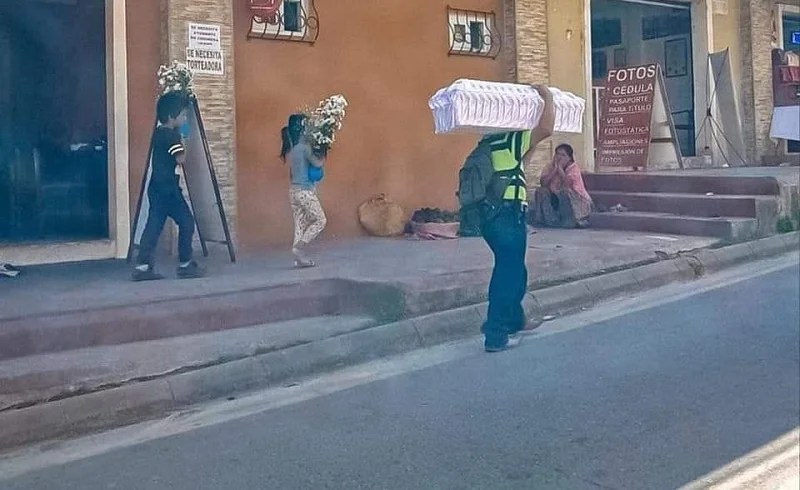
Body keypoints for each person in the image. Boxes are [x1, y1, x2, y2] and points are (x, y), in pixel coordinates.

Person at [479, 85, 555, 353]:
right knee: (507, 274)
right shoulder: (512, 139)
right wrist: (546, 95)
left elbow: (521, 162)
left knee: (514, 270)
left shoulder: (489, 141)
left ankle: (512, 319)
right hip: (508, 215)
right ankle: (496, 334)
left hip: (490, 217)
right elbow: (546, 129)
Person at [132, 92, 204, 281]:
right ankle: (185, 264)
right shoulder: (172, 136)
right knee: (187, 222)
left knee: (153, 226)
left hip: (156, 187)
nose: (185, 118)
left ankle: (142, 266)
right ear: (172, 117)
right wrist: (185, 136)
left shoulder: (158, 133)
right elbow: (181, 158)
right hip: (169, 190)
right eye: (183, 115)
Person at [281, 114, 327, 268]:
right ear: (302, 130)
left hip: (293, 191)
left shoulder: (292, 149)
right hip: (305, 192)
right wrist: (322, 150)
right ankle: (300, 247)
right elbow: (318, 163)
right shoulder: (305, 148)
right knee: (320, 220)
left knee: (300, 224)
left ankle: (298, 258)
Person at [530, 143, 593, 228]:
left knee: (564, 192)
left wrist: (560, 170)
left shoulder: (573, 168)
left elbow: (568, 184)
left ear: (569, 158)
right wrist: (554, 170)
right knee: (540, 191)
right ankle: (550, 221)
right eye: (557, 154)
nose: (559, 157)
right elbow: (543, 183)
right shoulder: (550, 166)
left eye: (563, 155)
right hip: (554, 197)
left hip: (576, 201)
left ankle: (569, 221)